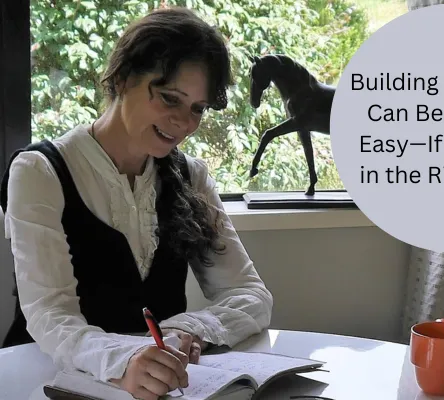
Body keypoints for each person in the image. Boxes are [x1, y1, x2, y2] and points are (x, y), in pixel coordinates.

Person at [0, 6, 273, 400]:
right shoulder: (39, 172)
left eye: (197, 108)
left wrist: (190, 328)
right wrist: (123, 359)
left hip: (158, 390)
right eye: (169, 98)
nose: (184, 123)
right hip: (44, 383)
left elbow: (251, 294)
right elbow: (50, 316)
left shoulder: (191, 176)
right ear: (123, 78)